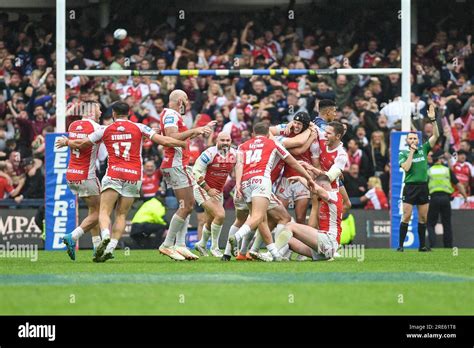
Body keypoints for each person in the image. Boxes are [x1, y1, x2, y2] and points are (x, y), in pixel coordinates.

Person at [56, 101, 186, 262]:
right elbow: (165, 141)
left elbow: (82, 144)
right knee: (122, 214)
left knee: (103, 211)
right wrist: (183, 142)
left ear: (114, 114)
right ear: (129, 113)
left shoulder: (105, 129)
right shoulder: (139, 127)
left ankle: (105, 236)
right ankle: (111, 246)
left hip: (113, 174)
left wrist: (67, 142)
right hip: (133, 175)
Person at [228, 122, 316, 262]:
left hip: (245, 182)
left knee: (261, 220)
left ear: (253, 133)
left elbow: (238, 165)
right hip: (262, 181)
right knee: (260, 217)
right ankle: (237, 237)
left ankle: (273, 254)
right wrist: (308, 177)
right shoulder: (274, 144)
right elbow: (293, 162)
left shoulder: (242, 146)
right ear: (268, 134)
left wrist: (238, 184)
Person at [158, 89, 215, 261]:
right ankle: (167, 245)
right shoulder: (171, 114)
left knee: (187, 204)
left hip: (177, 164)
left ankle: (180, 245)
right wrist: (194, 130)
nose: (188, 104)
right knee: (186, 205)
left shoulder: (172, 115)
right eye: (186, 101)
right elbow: (171, 136)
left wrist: (196, 131)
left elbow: (177, 137)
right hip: (176, 165)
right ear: (180, 101)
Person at [61, 101, 103, 261]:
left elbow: (75, 143)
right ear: (92, 111)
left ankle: (97, 246)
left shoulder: (72, 125)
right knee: (100, 212)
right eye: (99, 109)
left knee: (93, 211)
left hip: (71, 174)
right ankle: (72, 236)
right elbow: (85, 143)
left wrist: (68, 142)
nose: (100, 112)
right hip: (87, 175)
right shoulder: (96, 128)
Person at [272, 174, 343, 261]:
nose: (313, 191)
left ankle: (271, 253)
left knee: (290, 225)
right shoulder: (327, 199)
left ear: (322, 186)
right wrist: (300, 178)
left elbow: (315, 189)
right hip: (324, 249)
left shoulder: (333, 195)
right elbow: (314, 189)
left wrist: (301, 178)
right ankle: (277, 257)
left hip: (329, 241)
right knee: (288, 240)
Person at [398, 104, 439, 252]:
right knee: (407, 216)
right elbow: (407, 168)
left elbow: (436, 136)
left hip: (423, 187)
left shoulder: (424, 149)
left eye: (415, 138)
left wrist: (433, 120)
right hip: (410, 187)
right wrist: (411, 153)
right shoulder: (403, 153)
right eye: (411, 138)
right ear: (407, 141)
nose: (414, 140)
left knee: (423, 218)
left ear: (419, 140)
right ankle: (401, 246)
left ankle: (422, 246)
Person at [192, 131, 236, 257]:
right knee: (220, 215)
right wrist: (207, 189)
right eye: (222, 140)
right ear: (217, 140)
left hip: (218, 192)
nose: (225, 143)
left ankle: (201, 244)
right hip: (203, 189)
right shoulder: (209, 153)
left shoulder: (234, 153)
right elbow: (195, 171)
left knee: (211, 220)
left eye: (228, 140)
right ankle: (215, 247)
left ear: (231, 141)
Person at [427, 150, 467, 248]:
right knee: (447, 224)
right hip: (446, 199)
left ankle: (432, 245)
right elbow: (458, 184)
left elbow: (423, 186)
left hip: (434, 199)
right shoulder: (447, 170)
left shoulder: (429, 171)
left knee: (431, 223)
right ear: (439, 160)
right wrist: (465, 196)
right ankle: (448, 247)